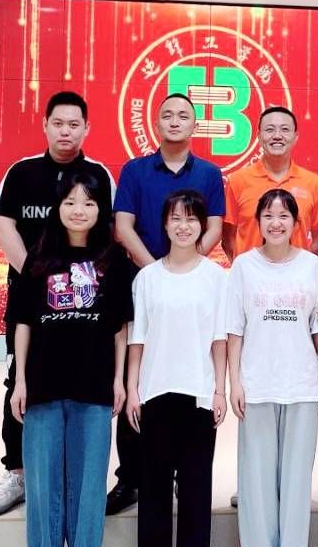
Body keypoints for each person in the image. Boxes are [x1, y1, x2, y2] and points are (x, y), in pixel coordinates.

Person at [0, 91, 115, 517]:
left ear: (87, 128)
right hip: (30, 297)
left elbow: (108, 231)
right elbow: (3, 227)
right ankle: (17, 471)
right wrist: (38, 279)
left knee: (83, 381)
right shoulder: (21, 172)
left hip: (85, 301)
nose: (65, 132)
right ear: (45, 124)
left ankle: (73, 473)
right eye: (58, 123)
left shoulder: (98, 175)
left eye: (74, 124)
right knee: (20, 379)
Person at [109, 92, 225, 514]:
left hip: (191, 283)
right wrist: (155, 270)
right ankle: (131, 478)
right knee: (140, 375)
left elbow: (214, 227)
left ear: (195, 125)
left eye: (183, 116)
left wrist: (187, 265)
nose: (175, 121)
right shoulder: (135, 170)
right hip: (142, 281)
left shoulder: (209, 173)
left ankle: (183, 476)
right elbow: (123, 226)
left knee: (186, 369)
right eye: (167, 115)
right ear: (156, 124)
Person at [9, 171, 131, 547]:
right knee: (43, 488)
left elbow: (120, 328)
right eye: (70, 202)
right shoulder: (38, 258)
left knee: (89, 487)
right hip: (43, 386)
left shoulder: (113, 260)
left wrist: (119, 380)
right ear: (58, 207)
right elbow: (23, 322)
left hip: (93, 387)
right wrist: (20, 381)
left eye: (89, 203)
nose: (79, 210)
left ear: (101, 210)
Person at [125, 190, 228, 547]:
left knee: (196, 490)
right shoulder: (147, 277)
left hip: (198, 394)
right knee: (153, 489)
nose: (184, 226)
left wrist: (220, 391)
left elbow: (219, 340)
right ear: (165, 225)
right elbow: (137, 339)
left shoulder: (216, 277)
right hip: (154, 392)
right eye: (176, 219)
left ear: (202, 225)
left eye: (191, 219)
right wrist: (133, 390)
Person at [226, 188, 318, 546]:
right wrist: (235, 382)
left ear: (296, 222)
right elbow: (234, 328)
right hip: (257, 384)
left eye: (284, 216)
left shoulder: (312, 266)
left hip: (302, 384)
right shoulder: (243, 266)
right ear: (258, 221)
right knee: (256, 481)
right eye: (268, 215)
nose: (276, 223)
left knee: (297, 481)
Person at [222, 106, 318, 261]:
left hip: (295, 275)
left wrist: (301, 266)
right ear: (259, 136)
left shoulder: (314, 183)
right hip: (250, 274)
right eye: (270, 130)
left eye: (285, 129)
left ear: (295, 137)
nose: (277, 136)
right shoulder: (237, 180)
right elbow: (228, 237)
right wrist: (243, 267)